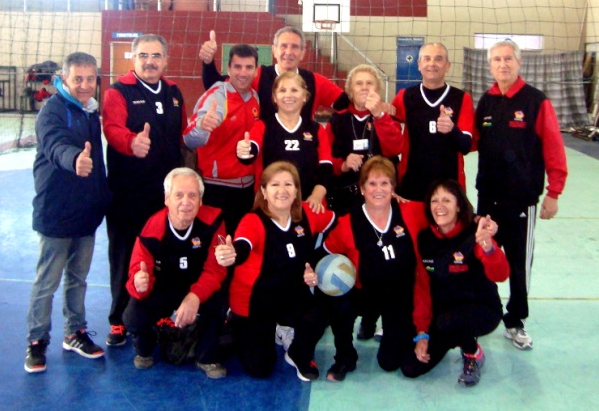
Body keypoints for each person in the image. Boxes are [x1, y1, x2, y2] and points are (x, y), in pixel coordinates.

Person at [473, 39, 568, 350]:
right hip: (487, 199)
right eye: (497, 59)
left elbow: (554, 148)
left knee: (517, 265)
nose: (503, 64)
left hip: (520, 202)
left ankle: (514, 321)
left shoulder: (536, 102)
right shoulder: (485, 102)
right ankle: (483, 315)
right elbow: (471, 140)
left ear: (519, 63)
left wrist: (554, 192)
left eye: (509, 58)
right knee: (483, 259)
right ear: (489, 65)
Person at [25, 52, 111, 373]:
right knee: (47, 282)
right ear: (63, 78)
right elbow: (55, 144)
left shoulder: (90, 111)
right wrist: (74, 159)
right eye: (78, 79)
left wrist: (101, 198)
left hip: (85, 213)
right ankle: (36, 341)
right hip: (56, 211)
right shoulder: (52, 112)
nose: (85, 85)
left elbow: (97, 163)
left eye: (91, 79)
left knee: (78, 279)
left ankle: (74, 333)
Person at [102, 34, 188, 347]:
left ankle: (161, 312)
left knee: (163, 255)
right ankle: (118, 319)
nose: (149, 61)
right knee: (125, 256)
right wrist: (130, 142)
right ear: (133, 59)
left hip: (164, 196)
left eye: (155, 56)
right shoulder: (118, 91)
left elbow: (183, 134)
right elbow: (111, 128)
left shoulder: (174, 92)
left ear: (165, 60)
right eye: (143, 56)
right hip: (128, 193)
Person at [214, 161, 335, 381]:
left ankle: (296, 353)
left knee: (320, 313)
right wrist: (232, 254)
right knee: (260, 369)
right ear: (263, 191)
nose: (282, 190)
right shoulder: (253, 221)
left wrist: (316, 263)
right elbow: (242, 245)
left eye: (289, 184)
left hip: (290, 294)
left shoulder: (307, 213)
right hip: (255, 300)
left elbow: (343, 224)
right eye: (275, 185)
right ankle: (241, 323)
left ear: (297, 190)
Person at [322, 156, 432, 382]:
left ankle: (395, 331)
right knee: (339, 302)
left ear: (393, 187)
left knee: (390, 362)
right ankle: (345, 356)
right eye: (372, 184)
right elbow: (325, 250)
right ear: (362, 188)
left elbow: (447, 212)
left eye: (385, 183)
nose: (379, 189)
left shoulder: (411, 212)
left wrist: (479, 223)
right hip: (366, 293)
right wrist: (313, 272)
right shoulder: (347, 222)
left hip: (400, 298)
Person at [402, 179, 508, 387]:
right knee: (410, 367)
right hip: (444, 316)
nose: (439, 206)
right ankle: (454, 338)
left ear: (459, 205)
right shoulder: (425, 239)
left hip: (481, 310)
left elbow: (501, 274)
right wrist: (422, 333)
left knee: (451, 321)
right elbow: (422, 288)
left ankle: (473, 353)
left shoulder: (474, 234)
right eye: (434, 201)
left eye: (446, 200)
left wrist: (488, 247)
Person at [123, 168, 228, 377]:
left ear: (200, 200)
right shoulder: (151, 230)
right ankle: (147, 346)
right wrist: (139, 284)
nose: (186, 202)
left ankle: (206, 356)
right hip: (163, 288)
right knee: (132, 316)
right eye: (178, 195)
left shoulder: (213, 221)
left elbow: (215, 270)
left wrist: (195, 296)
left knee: (220, 298)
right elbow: (137, 270)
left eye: (192, 195)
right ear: (166, 199)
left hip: (198, 287)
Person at [183, 44, 261, 235]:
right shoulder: (217, 96)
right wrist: (202, 126)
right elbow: (188, 140)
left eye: (248, 67)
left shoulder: (255, 97)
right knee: (215, 252)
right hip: (217, 189)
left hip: (247, 189)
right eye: (237, 67)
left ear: (256, 70)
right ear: (228, 69)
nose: (243, 73)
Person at [200, 26, 349, 123]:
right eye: (283, 46)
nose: (289, 52)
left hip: (301, 156)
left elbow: (348, 105)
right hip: (264, 152)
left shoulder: (315, 81)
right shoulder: (258, 75)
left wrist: (334, 129)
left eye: (295, 47)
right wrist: (208, 62)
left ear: (303, 53)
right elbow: (215, 86)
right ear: (274, 50)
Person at [236, 71, 333, 212]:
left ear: (305, 96)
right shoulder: (263, 126)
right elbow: (251, 150)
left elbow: (326, 169)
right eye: (282, 90)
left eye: (294, 90)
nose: (288, 95)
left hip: (308, 206)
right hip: (271, 206)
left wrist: (316, 196)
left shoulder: (316, 129)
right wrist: (244, 151)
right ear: (275, 97)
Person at [392, 42, 474, 201]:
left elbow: (466, 146)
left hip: (449, 187)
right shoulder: (405, 96)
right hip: (411, 185)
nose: (432, 63)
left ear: (447, 65)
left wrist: (452, 129)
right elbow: (388, 139)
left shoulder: (462, 98)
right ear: (419, 64)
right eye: (427, 58)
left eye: (438, 59)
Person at [326, 64, 403, 214]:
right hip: (345, 195)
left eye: (369, 83)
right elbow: (325, 159)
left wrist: (379, 115)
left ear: (377, 90)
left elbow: (395, 148)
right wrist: (343, 165)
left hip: (382, 194)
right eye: (359, 83)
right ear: (350, 91)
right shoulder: (337, 120)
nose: (364, 87)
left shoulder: (387, 117)